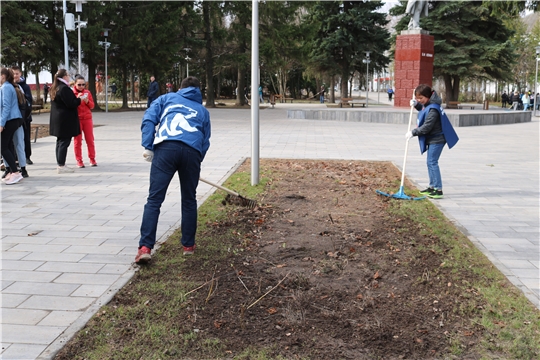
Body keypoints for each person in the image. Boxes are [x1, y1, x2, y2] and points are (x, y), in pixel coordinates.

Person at [135, 76, 211, 264]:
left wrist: (148, 145)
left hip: (166, 149)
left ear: (180, 88)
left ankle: (145, 247)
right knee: (189, 199)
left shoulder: (166, 99)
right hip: (191, 151)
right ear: (199, 91)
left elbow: (149, 119)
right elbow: (205, 140)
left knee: (154, 199)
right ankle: (188, 246)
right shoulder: (202, 111)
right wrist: (195, 162)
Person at [405, 84, 459, 199]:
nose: (419, 100)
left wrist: (413, 132)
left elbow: (427, 127)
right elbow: (424, 109)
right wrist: (416, 105)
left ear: (428, 96)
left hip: (437, 139)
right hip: (433, 138)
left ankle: (438, 189)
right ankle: (431, 186)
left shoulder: (434, 109)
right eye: (417, 98)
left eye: (421, 99)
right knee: (430, 162)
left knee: (432, 162)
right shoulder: (430, 104)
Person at [49, 69, 81, 174]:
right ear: (64, 77)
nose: (69, 76)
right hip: (65, 120)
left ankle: (60, 163)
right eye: (67, 75)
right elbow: (71, 103)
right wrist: (79, 99)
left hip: (58, 119)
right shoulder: (64, 88)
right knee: (64, 142)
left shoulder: (55, 87)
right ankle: (61, 165)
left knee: (60, 142)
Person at [0, 67, 25, 185]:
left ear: (3, 76)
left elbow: (6, 106)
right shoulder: (9, 86)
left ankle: (15, 172)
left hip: (10, 119)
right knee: (8, 146)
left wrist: (1, 123)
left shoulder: (5, 87)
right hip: (13, 119)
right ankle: (11, 171)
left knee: (3, 147)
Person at [72, 75, 97, 168]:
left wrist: (87, 101)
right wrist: (77, 99)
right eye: (79, 84)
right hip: (77, 119)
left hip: (87, 119)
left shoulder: (87, 92)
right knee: (77, 141)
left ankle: (92, 158)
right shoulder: (72, 93)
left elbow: (92, 106)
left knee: (90, 140)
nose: (81, 86)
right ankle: (79, 160)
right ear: (75, 84)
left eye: (83, 84)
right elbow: (71, 105)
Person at [12, 66, 34, 165]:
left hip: (25, 117)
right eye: (13, 74)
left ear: (20, 74)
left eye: (17, 73)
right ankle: (16, 158)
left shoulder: (25, 86)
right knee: (14, 139)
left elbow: (29, 100)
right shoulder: (10, 85)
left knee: (26, 137)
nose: (15, 76)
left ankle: (27, 156)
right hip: (14, 117)